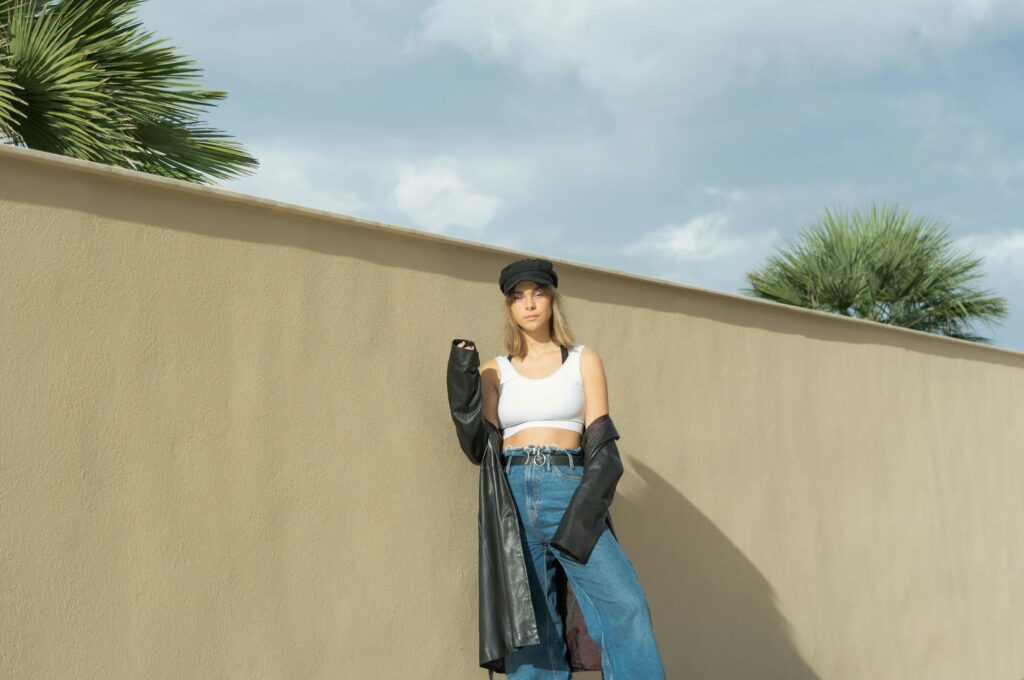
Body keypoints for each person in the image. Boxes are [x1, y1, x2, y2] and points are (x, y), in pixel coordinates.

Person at [447, 257, 666, 679]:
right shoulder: (495, 370)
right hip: (512, 495)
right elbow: (479, 448)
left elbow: (601, 441)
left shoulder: (583, 359)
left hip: (568, 486)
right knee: (533, 634)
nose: (529, 304)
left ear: (552, 299)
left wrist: (584, 508)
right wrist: (461, 377)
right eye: (518, 297)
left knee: (625, 606)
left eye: (538, 293)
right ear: (510, 307)